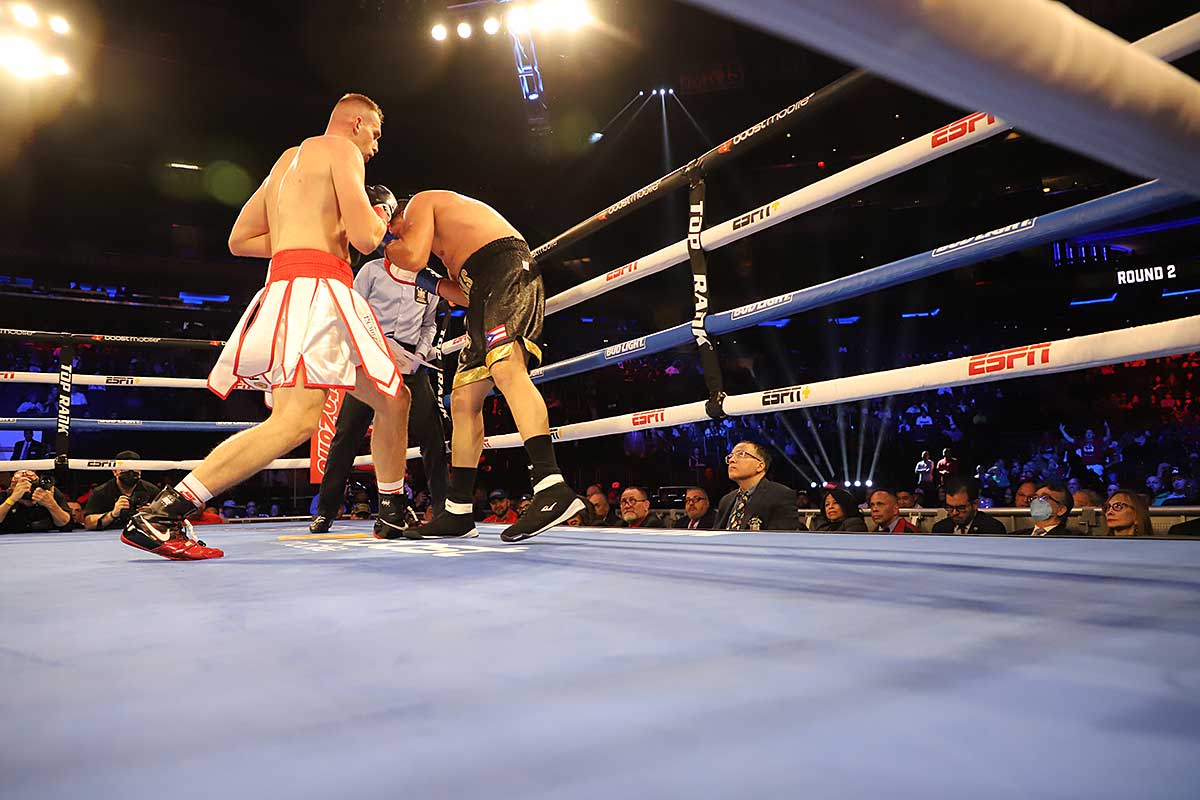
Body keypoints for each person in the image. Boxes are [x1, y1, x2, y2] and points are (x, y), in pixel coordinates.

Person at [123, 94, 430, 560]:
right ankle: (162, 513)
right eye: (375, 134)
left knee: (393, 398)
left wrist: (301, 236)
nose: (375, 147)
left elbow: (240, 239)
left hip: (292, 286)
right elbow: (367, 238)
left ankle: (391, 508)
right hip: (317, 291)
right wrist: (379, 220)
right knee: (296, 420)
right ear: (355, 123)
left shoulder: (286, 161)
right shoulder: (342, 150)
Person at [383, 190, 584, 542]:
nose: (397, 239)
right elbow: (464, 295)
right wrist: (425, 280)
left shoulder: (421, 202)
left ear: (396, 216)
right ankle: (458, 510)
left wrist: (384, 244)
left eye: (395, 232)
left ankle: (551, 486)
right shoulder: (448, 250)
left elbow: (410, 256)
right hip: (481, 294)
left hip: (506, 269)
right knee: (463, 399)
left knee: (506, 368)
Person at [307, 250, 465, 534]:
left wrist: (420, 355)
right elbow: (351, 312)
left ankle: (443, 511)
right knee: (346, 435)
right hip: (370, 359)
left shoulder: (430, 280)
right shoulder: (372, 270)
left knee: (432, 434)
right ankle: (325, 512)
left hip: (410, 363)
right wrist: (366, 351)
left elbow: (428, 325)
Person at [713, 442, 799, 531]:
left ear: (760, 466)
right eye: (730, 456)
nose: (732, 460)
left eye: (741, 454)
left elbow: (781, 537)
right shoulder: (726, 500)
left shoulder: (780, 495)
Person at [84, 451, 160, 531]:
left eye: (135, 467)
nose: (130, 471)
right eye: (125, 468)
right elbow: (88, 523)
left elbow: (165, 520)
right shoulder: (101, 492)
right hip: (107, 534)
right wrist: (112, 514)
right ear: (115, 471)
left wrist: (152, 516)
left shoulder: (152, 491)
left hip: (141, 533)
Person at [0, 470, 72, 533]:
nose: (27, 488)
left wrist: (51, 504)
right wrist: (12, 499)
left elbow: (66, 524)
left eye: (31, 483)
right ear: (11, 487)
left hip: (48, 539)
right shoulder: (4, 496)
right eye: (20, 485)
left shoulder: (49, 493)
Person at [931, 478, 1007, 535]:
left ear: (975, 504)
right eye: (950, 507)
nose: (954, 513)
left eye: (961, 508)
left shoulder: (992, 529)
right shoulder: (940, 529)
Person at [1013, 481, 1084, 537]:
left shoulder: (1072, 538)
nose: (1036, 501)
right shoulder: (1016, 536)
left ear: (1061, 510)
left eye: (1044, 497)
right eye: (1035, 497)